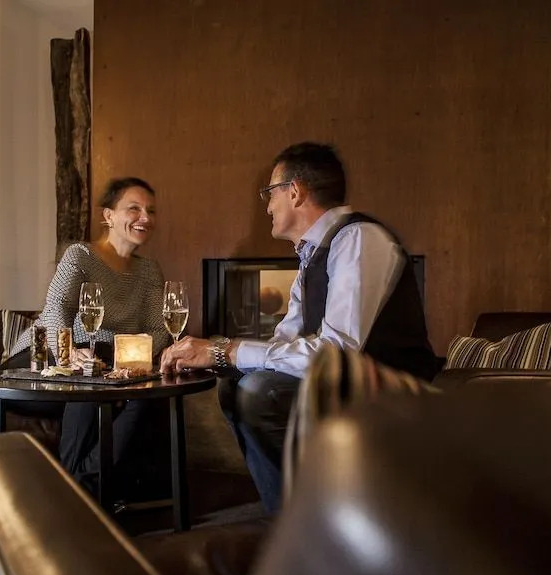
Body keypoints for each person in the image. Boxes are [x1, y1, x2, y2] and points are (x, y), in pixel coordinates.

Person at [160, 142, 435, 512]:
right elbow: (284, 340)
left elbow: (336, 353)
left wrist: (225, 350)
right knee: (235, 385)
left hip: (394, 388)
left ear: (294, 191)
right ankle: (288, 517)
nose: (267, 206)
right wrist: (219, 359)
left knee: (261, 392)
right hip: (347, 382)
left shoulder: (357, 239)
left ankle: (312, 518)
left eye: (270, 193)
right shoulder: (312, 255)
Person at [8, 177, 172, 498]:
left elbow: (159, 329)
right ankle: (79, 491)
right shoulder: (80, 255)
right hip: (42, 356)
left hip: (106, 361)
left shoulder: (149, 271)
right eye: (134, 208)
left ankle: (80, 488)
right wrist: (69, 351)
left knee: (147, 393)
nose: (145, 217)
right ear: (108, 215)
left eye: (151, 211)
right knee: (90, 378)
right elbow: (56, 308)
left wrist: (131, 362)